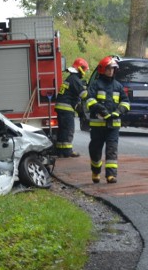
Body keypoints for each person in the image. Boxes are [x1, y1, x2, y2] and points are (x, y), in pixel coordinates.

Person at [85, 56, 130, 184]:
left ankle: (111, 175)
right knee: (95, 150)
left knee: (112, 150)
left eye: (113, 69)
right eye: (108, 69)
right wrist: (102, 110)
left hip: (113, 126)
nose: (110, 71)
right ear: (102, 70)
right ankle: (96, 171)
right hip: (97, 126)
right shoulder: (95, 85)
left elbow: (126, 102)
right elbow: (89, 100)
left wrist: (118, 112)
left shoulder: (118, 86)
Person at [54, 57, 89, 157]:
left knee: (62, 130)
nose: (84, 72)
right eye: (85, 70)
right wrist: (90, 92)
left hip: (61, 107)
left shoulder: (70, 78)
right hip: (66, 108)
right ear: (80, 69)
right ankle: (67, 151)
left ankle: (60, 151)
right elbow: (84, 95)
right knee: (69, 129)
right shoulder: (75, 79)